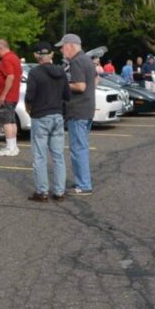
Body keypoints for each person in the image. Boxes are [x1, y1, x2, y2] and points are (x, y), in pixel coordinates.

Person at [24, 42, 70, 202]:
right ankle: (59, 192)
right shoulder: (61, 72)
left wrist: (29, 108)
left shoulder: (35, 73)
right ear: (51, 55)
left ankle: (42, 191)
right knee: (58, 156)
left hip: (40, 116)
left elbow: (29, 96)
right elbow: (67, 96)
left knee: (40, 156)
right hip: (57, 116)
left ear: (37, 55)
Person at [58, 33, 96, 196]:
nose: (61, 50)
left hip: (78, 110)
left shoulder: (76, 61)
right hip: (87, 108)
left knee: (78, 148)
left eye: (63, 46)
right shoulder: (87, 59)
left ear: (71, 46)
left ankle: (84, 185)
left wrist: (64, 83)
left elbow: (80, 86)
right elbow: (95, 80)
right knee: (81, 147)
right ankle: (82, 182)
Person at [0, 39, 23, 157]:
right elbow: (17, 74)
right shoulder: (15, 58)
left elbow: (10, 76)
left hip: (6, 96)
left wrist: (3, 95)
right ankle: (13, 146)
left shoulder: (7, 59)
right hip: (13, 95)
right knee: (11, 120)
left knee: (6, 122)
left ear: (1, 48)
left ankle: (10, 148)